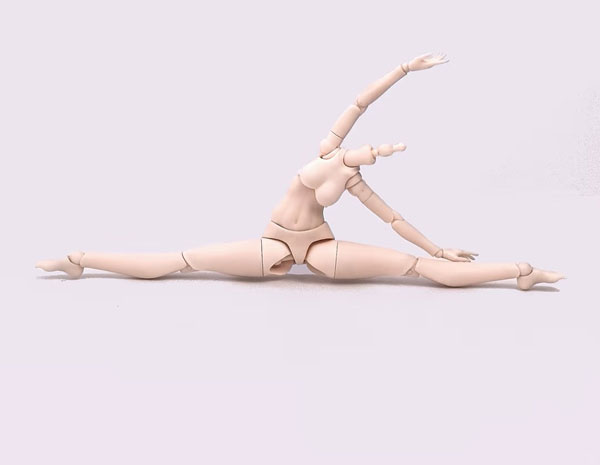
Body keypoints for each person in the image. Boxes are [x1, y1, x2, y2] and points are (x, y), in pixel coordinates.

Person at [36, 53, 564, 290]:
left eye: (372, 155)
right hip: (278, 246)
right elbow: (360, 103)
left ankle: (520, 271)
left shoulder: (351, 177)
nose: (367, 155)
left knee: (418, 269)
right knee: (178, 261)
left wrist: (437, 248)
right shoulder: (330, 149)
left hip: (315, 250)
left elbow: (394, 219)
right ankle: (81, 260)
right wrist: (403, 69)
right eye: (369, 151)